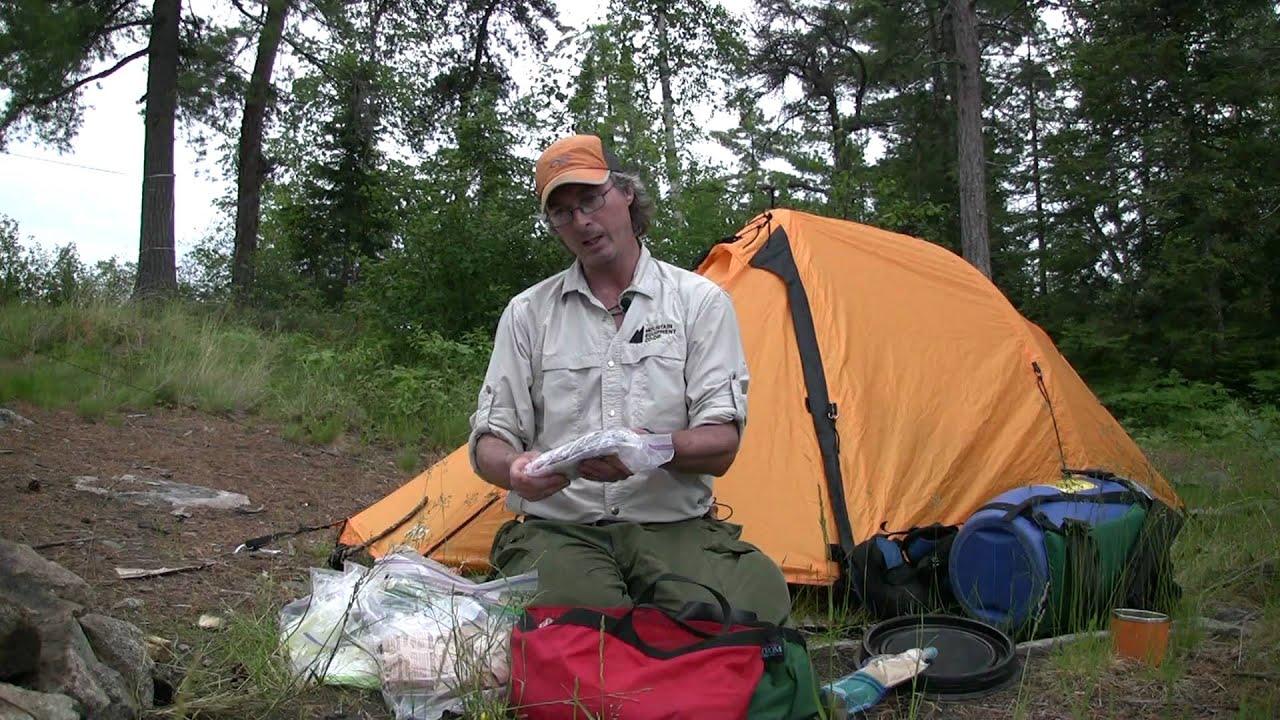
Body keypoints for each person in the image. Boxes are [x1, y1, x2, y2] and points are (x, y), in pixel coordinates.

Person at [467, 133, 793, 625]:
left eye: (591, 198)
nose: (581, 221)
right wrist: (513, 469)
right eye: (562, 211)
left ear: (626, 193)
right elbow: (489, 440)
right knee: (582, 631)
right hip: (562, 529)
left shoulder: (699, 303)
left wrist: (648, 449)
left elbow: (723, 443)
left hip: (674, 527)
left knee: (756, 609)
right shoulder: (527, 313)